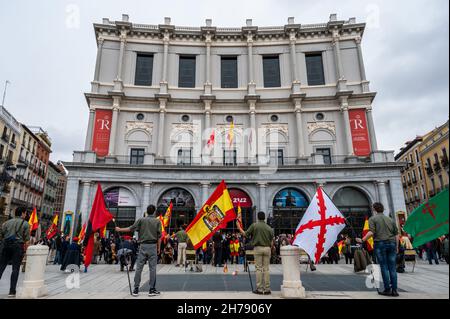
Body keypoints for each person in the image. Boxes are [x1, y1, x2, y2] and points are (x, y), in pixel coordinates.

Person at [116, 205, 161, 297]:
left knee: (139, 268)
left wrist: (120, 229)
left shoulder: (141, 220)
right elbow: (159, 237)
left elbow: (130, 228)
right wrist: (158, 248)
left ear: (147, 211)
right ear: (154, 212)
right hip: (153, 246)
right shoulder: (157, 221)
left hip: (143, 246)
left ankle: (136, 289)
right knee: (152, 269)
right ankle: (152, 289)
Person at [356, 202, 400, 297]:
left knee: (384, 267)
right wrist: (396, 246)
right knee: (392, 267)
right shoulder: (390, 219)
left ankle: (387, 289)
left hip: (380, 243)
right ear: (383, 209)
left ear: (374, 209)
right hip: (392, 243)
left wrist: (362, 240)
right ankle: (395, 290)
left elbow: (371, 232)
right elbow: (397, 234)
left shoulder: (373, 219)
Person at [237, 211, 274, 295]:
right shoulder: (269, 228)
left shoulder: (254, 225)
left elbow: (246, 234)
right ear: (264, 218)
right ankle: (267, 289)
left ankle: (260, 289)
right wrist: (270, 248)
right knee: (266, 269)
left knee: (258, 268)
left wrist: (239, 228)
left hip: (258, 248)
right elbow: (272, 241)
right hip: (267, 248)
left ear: (257, 217)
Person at [0, 206, 30, 297]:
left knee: (1, 267)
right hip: (17, 247)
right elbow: (27, 240)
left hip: (5, 246)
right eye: (25, 213)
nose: (26, 215)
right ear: (22, 213)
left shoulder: (6, 223)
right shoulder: (25, 224)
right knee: (15, 269)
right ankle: (12, 291)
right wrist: (25, 251)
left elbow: (2, 235)